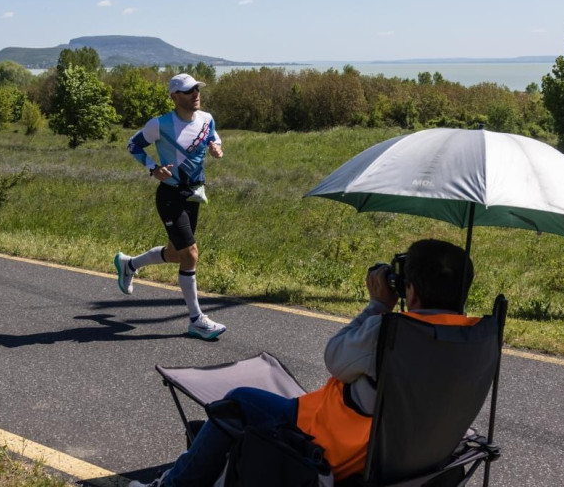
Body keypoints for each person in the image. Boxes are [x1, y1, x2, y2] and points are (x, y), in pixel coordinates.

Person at [129, 239, 479, 487]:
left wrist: (377, 306)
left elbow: (335, 358)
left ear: (411, 291)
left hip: (336, 446)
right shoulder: (475, 339)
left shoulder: (391, 333)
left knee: (237, 401)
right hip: (412, 454)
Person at [114, 73, 226, 340]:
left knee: (177, 253)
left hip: (193, 195)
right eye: (188, 91)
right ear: (174, 96)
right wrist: (153, 168)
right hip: (170, 196)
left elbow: (215, 136)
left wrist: (216, 148)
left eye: (197, 89)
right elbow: (133, 145)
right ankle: (197, 320)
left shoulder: (206, 119)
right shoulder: (160, 124)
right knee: (191, 254)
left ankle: (129, 265)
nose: (195, 94)